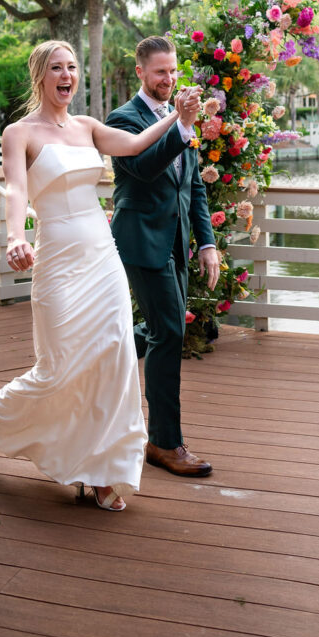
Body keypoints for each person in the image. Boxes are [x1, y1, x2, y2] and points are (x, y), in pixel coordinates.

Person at [0, 39, 202, 511]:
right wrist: (16, 236)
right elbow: (15, 189)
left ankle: (102, 473)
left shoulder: (89, 127)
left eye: (72, 67)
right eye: (57, 67)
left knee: (113, 363)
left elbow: (137, 145)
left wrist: (181, 118)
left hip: (102, 257)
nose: (66, 75)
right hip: (56, 256)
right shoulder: (20, 132)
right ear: (40, 74)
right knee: (58, 368)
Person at [106, 36, 220, 478]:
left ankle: (99, 352)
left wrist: (207, 243)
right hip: (138, 240)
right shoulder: (123, 119)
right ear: (140, 72)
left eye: (173, 70)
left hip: (176, 241)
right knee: (170, 330)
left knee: (159, 329)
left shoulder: (180, 120)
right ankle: (164, 443)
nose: (169, 79)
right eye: (160, 72)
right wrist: (182, 124)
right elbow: (146, 165)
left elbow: (192, 187)